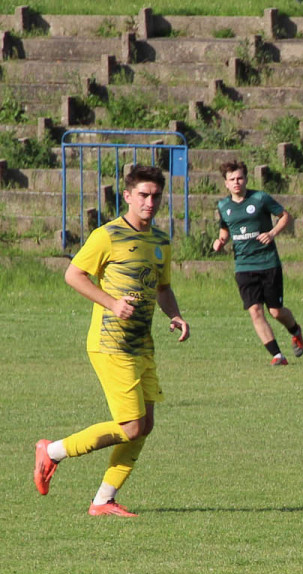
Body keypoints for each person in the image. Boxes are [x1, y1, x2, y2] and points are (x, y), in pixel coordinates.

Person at [33, 165, 190, 517]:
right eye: (144, 195)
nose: (150, 202)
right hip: (110, 342)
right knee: (131, 425)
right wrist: (112, 302)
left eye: (156, 196)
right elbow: (73, 274)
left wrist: (175, 315)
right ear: (128, 196)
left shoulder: (161, 241)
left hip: (142, 344)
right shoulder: (108, 235)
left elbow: (162, 288)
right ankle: (52, 450)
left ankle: (103, 500)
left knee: (145, 425)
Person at [212, 160, 303, 366]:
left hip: (268, 262)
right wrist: (221, 241)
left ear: (246, 179)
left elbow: (285, 216)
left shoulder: (260, 198)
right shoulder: (223, 206)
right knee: (255, 310)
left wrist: (272, 234)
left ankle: (295, 330)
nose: (236, 182)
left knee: (275, 311)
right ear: (226, 183)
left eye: (240, 178)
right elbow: (225, 229)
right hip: (243, 266)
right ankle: (278, 355)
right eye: (232, 179)